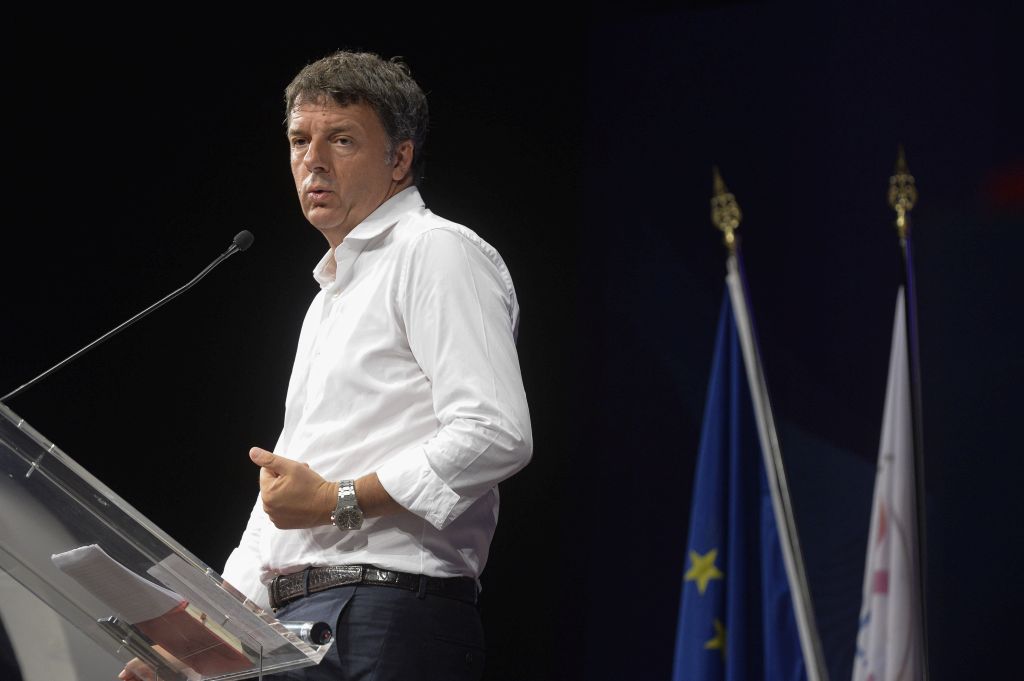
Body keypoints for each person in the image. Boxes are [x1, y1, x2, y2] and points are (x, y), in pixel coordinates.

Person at [120, 50, 532, 681]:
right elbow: (285, 500)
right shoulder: (330, 296)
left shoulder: (436, 252)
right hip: (299, 624)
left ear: (399, 158)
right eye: (299, 141)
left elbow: (494, 432)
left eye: (341, 139)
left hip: (387, 614)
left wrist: (338, 500)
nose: (312, 160)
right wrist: (196, 647)